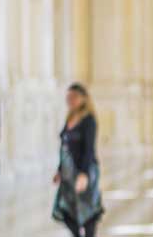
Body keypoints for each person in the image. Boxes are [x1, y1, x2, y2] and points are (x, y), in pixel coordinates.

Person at [52, 83, 104, 237]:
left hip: (84, 169)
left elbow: (89, 149)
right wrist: (59, 170)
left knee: (88, 210)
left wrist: (84, 174)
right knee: (67, 210)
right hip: (68, 172)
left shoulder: (88, 120)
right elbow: (64, 148)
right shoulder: (69, 118)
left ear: (83, 98)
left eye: (74, 97)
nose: (70, 100)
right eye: (68, 97)